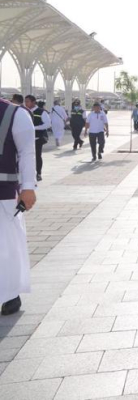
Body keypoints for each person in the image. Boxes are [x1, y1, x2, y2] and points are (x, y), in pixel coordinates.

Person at [0, 97, 37, 316]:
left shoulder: (14, 113)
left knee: (7, 246)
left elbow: (27, 153)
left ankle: (10, 293)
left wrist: (28, 187)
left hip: (4, 194)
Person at [24, 95, 50, 181]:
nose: (26, 103)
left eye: (27, 101)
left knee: (37, 156)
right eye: (25, 101)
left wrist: (34, 128)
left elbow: (47, 124)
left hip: (38, 138)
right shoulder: (24, 111)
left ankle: (38, 173)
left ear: (33, 102)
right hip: (26, 138)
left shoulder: (41, 112)